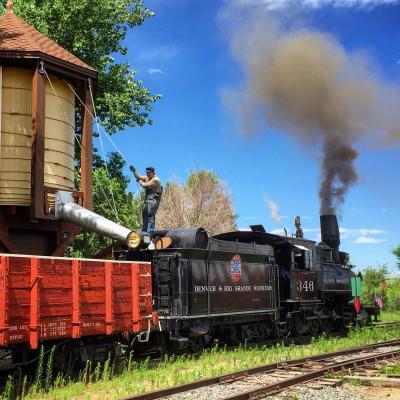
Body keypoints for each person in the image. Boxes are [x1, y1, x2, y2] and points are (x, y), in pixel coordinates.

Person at [130, 165, 162, 236]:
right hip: (148, 199)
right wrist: (134, 171)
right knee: (144, 213)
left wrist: (139, 181)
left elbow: (145, 185)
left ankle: (150, 233)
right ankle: (144, 230)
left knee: (150, 214)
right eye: (147, 173)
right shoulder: (147, 177)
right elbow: (140, 177)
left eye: (149, 173)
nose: (147, 174)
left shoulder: (156, 180)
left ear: (153, 173)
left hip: (154, 200)